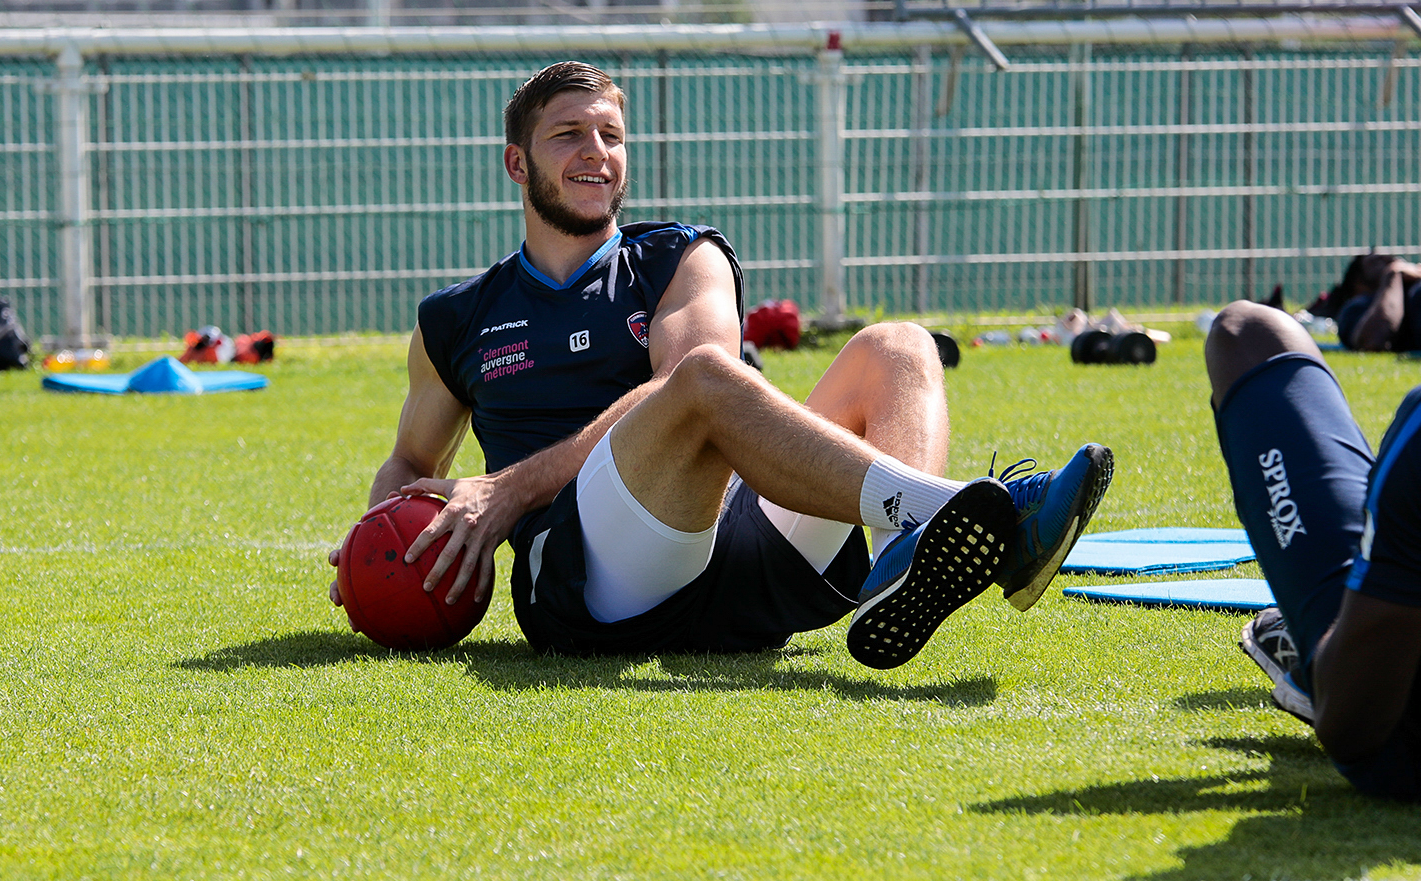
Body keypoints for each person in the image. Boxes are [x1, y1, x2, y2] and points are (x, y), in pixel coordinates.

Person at [329, 61, 1114, 667]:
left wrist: (504, 486)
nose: (596, 152)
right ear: (516, 163)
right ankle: (963, 514)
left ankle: (899, 561)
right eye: (568, 134)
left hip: (746, 549)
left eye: (611, 136)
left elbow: (682, 382)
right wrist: (375, 549)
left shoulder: (680, 255)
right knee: (704, 380)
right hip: (589, 585)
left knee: (899, 344)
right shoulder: (457, 316)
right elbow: (411, 461)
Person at [1207, 300, 1421, 800]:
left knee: (1247, 333)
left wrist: (1331, 653)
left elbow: (1353, 728)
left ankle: (1316, 654)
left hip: (1401, 737)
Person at [1308, 252, 1421, 352]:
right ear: (1358, 284)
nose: (1387, 258)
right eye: (1376, 261)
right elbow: (1372, 341)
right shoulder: (1357, 307)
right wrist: (1392, 274)